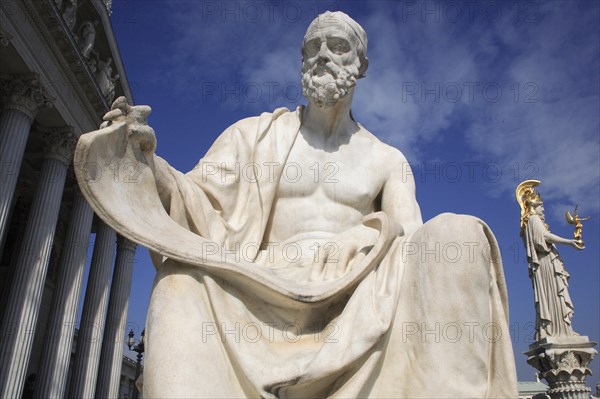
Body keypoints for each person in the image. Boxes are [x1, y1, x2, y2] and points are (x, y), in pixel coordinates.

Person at [75, 11, 517, 398]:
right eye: (312, 47)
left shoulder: (387, 160)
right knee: (181, 282)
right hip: (258, 291)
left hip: (355, 302)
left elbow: (415, 245)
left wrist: (368, 233)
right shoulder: (254, 136)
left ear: (360, 65)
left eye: (337, 46)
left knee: (457, 232)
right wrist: (146, 161)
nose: (322, 54)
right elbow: (197, 203)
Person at [517, 181, 583, 340]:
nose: (544, 209)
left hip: (547, 263)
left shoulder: (533, 221)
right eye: (542, 206)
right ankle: (556, 330)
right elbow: (544, 237)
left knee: (556, 296)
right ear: (534, 206)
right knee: (552, 295)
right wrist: (569, 242)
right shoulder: (533, 220)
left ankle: (562, 329)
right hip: (545, 264)